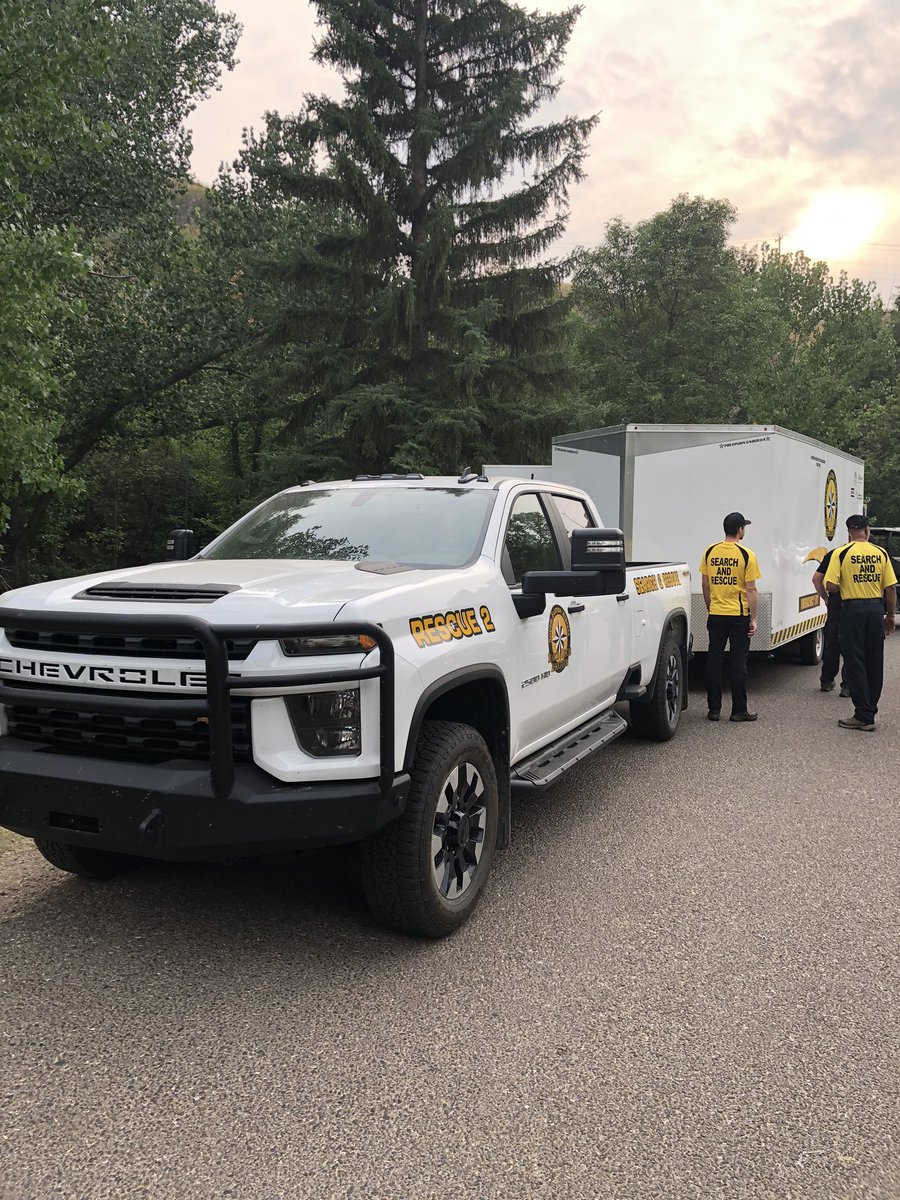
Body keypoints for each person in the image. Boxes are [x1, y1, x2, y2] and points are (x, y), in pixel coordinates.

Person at [824, 513, 896, 731]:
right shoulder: (880, 553)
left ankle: (862, 714)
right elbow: (890, 587)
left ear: (848, 532)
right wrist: (890, 615)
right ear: (867, 531)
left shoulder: (841, 553)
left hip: (852, 610)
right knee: (874, 660)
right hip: (875, 609)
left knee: (854, 661)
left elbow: (829, 585)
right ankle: (870, 709)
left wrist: (844, 585)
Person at [700, 512, 761, 723]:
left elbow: (705, 585)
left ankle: (714, 709)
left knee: (714, 660)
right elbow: (751, 590)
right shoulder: (746, 554)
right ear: (740, 529)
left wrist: (711, 607)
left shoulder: (710, 551)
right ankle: (738, 711)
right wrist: (753, 618)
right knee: (738, 662)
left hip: (716, 613)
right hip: (738, 615)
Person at [812, 544, 848, 696]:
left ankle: (826, 681)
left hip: (836, 604)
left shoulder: (834, 553)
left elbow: (816, 579)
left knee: (832, 643)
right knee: (852, 645)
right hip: (855, 603)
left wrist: (825, 598)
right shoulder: (872, 552)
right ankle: (848, 686)